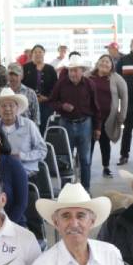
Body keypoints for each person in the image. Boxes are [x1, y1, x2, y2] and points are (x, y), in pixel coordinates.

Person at [49, 55, 101, 190]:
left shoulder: (90, 84)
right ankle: (66, 190)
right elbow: (52, 101)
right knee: (65, 159)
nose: (73, 73)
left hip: (85, 124)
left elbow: (96, 107)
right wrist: (62, 106)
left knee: (85, 160)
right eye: (71, 70)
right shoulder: (61, 83)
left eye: (76, 70)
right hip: (66, 124)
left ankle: (85, 190)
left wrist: (97, 128)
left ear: (82, 71)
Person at [0, 87, 48, 198]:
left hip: (27, 177)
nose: (7, 109)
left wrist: (22, 156)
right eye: (3, 106)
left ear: (17, 108)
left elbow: (42, 151)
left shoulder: (29, 125)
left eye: (11, 105)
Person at [89, 55, 128, 178]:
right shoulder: (88, 75)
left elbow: (125, 97)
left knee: (105, 143)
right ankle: (85, 166)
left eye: (107, 62)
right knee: (88, 143)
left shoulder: (117, 78)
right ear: (97, 62)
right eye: (102, 61)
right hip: (90, 117)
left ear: (112, 66)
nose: (104, 64)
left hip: (107, 118)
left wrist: (122, 116)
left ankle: (106, 167)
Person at [22, 45, 58, 128]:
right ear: (32, 54)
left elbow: (56, 87)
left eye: (40, 52)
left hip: (46, 103)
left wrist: (48, 97)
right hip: (28, 103)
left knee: (44, 126)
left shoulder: (50, 69)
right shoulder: (25, 68)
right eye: (35, 52)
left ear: (44, 53)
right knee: (30, 126)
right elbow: (22, 85)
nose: (38, 54)